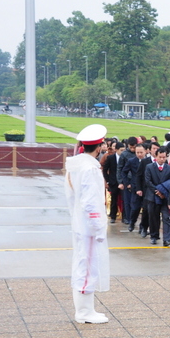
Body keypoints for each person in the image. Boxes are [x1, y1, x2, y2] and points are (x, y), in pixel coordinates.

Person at [64, 124, 110, 324]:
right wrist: (98, 226)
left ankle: (87, 309)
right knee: (87, 266)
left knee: (86, 264)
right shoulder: (89, 169)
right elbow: (91, 202)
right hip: (89, 226)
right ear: (99, 148)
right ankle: (83, 312)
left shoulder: (77, 165)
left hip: (81, 223)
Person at [144, 147, 170, 246]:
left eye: (164, 157)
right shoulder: (149, 167)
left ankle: (167, 239)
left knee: (166, 217)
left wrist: (163, 192)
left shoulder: (169, 167)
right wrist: (157, 191)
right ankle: (154, 236)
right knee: (153, 217)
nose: (162, 159)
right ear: (156, 156)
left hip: (165, 196)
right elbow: (148, 181)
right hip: (153, 196)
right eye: (160, 157)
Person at [117, 137, 138, 226]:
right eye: (131, 147)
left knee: (135, 201)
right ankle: (126, 217)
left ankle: (133, 218)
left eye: (134, 147)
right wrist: (120, 181)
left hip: (137, 180)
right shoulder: (124, 154)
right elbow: (119, 168)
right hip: (127, 179)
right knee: (127, 200)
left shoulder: (139, 153)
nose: (132, 149)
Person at [102, 142, 124, 223]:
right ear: (116, 150)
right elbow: (105, 169)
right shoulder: (111, 158)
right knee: (113, 200)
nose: (122, 152)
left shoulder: (125, 158)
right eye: (121, 150)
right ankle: (113, 216)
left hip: (123, 182)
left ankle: (124, 216)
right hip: (113, 182)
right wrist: (108, 180)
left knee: (123, 200)